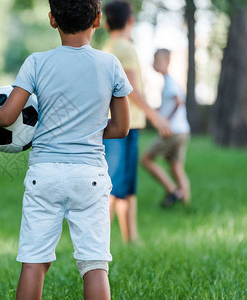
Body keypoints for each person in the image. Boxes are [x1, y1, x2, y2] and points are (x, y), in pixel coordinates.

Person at [0, 1, 132, 298]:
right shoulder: (111, 65)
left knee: (34, 262)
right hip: (89, 176)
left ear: (52, 19)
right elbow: (121, 128)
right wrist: (87, 130)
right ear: (97, 20)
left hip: (44, 176)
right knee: (94, 264)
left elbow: (5, 116)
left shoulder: (36, 62)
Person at [102, 0, 173, 243]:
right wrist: (155, 115)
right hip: (125, 124)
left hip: (119, 124)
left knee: (126, 186)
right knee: (113, 186)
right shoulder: (124, 48)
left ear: (105, 23)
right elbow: (130, 88)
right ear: (131, 20)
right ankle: (102, 241)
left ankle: (131, 239)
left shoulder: (108, 46)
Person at [141, 49, 191, 207]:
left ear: (167, 62)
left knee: (146, 159)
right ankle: (186, 204)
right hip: (183, 131)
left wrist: (164, 121)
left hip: (173, 132)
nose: (155, 65)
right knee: (176, 167)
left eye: (158, 61)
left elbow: (178, 102)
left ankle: (173, 191)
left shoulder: (170, 82)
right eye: (154, 61)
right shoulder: (171, 82)